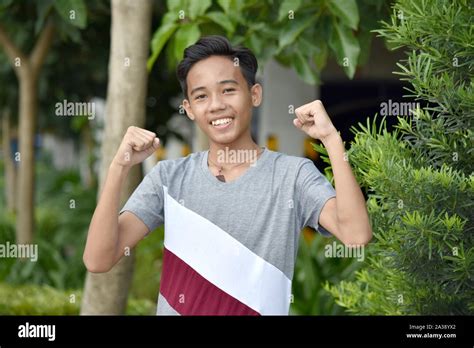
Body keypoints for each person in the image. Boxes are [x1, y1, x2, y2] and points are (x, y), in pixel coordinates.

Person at [83, 35, 372, 315]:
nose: (217, 104)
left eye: (228, 90)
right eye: (201, 96)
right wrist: (118, 167)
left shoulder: (292, 176)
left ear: (254, 94)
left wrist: (332, 140)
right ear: (190, 109)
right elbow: (98, 259)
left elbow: (356, 234)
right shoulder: (168, 178)